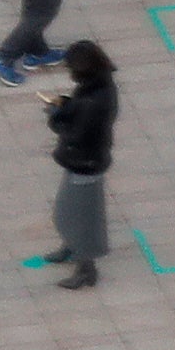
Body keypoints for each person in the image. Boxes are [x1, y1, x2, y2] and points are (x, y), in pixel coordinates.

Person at [33, 41, 118, 287]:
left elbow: (75, 133)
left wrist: (56, 117)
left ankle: (86, 269)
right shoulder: (97, 87)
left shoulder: (94, 99)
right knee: (68, 211)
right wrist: (66, 105)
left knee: (79, 217)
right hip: (83, 160)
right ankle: (71, 247)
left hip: (86, 163)